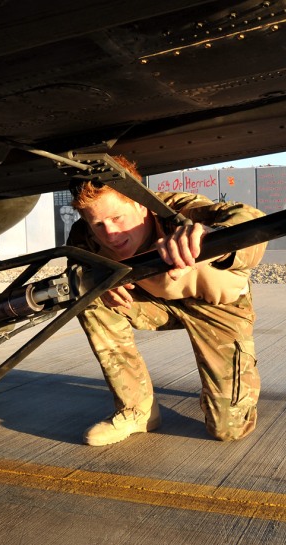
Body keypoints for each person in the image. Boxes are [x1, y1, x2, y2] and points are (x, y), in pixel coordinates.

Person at [67, 155, 267, 446]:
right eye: (98, 224)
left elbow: (251, 222)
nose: (110, 233)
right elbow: (75, 268)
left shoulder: (176, 209)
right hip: (154, 303)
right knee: (89, 297)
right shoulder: (84, 236)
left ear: (139, 203)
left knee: (229, 428)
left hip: (214, 307)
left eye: (117, 218)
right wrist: (95, 281)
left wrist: (215, 239)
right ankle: (137, 410)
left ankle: (226, 388)